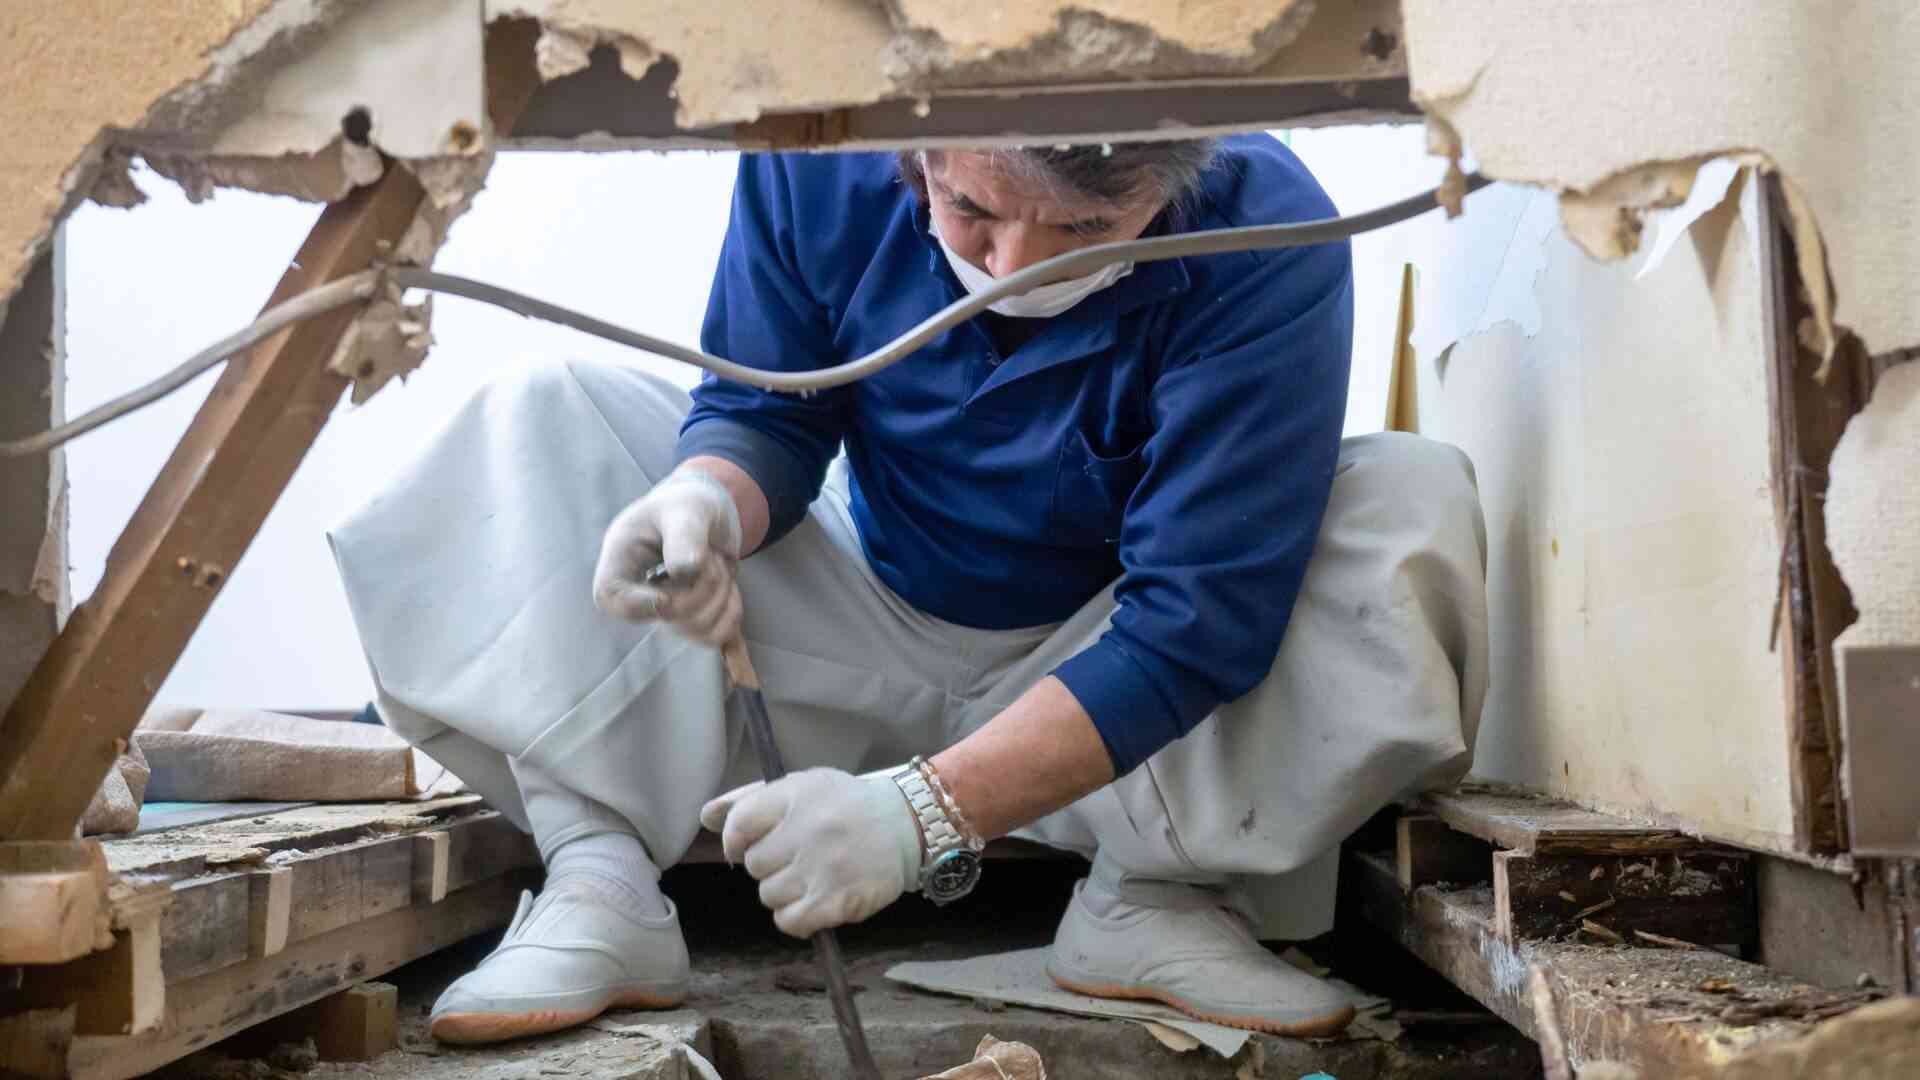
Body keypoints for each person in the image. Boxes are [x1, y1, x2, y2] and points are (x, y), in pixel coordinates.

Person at [329, 133, 1489, 1045]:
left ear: (1184, 176)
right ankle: (601, 883)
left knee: (1404, 499)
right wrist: (705, 502)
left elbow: (1198, 622)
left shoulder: (1266, 227)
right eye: (974, 211)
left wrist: (918, 816)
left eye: (1087, 226)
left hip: (1111, 685)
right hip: (854, 626)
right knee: (542, 410)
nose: (1015, 269)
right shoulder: (820, 149)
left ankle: (1151, 898)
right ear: (916, 154)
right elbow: (769, 413)